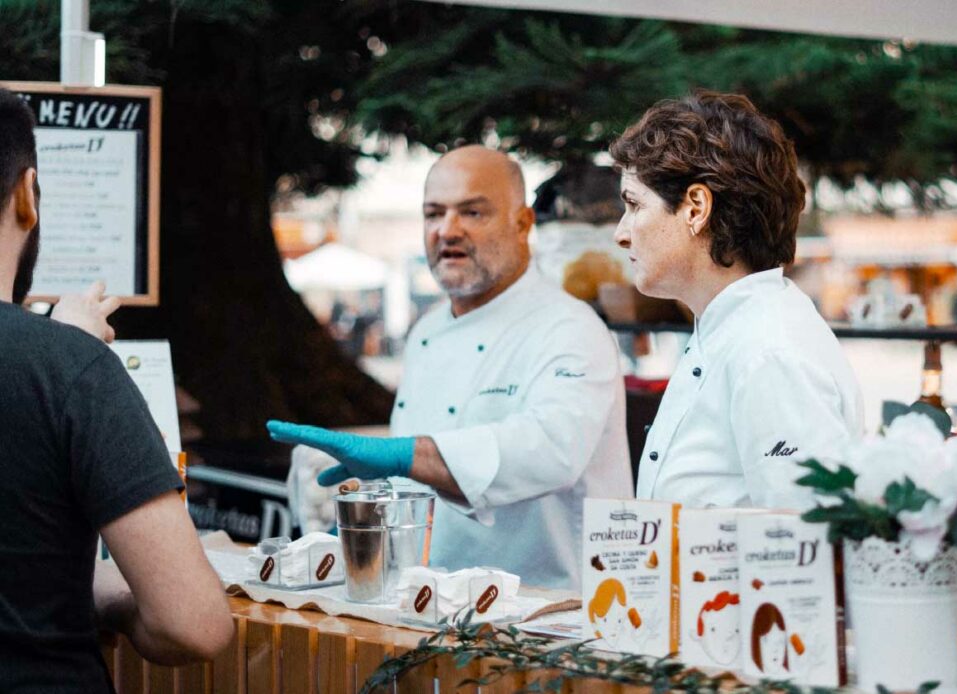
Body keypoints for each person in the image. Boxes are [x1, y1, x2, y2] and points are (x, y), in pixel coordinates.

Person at [269, 145, 631, 589]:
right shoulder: (426, 334)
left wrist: (403, 455)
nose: (447, 230)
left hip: (546, 611)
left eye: (473, 213)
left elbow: (552, 450)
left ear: (523, 224)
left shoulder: (571, 327)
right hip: (435, 604)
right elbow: (420, 491)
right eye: (433, 213)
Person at [0, 87, 233, 692]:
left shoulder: (59, 361)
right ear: (28, 196)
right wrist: (113, 602)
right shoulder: (70, 369)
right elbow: (192, 624)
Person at [610, 92, 862, 507]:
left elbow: (802, 544)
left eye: (634, 205)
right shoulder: (735, 328)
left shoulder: (768, 352)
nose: (621, 233)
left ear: (695, 208)